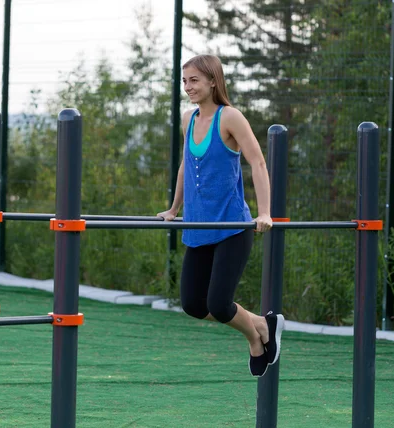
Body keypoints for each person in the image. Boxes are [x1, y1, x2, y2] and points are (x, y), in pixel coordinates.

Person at [157, 54, 285, 377]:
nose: (188, 87)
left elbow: (257, 162)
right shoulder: (189, 119)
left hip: (232, 227)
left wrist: (265, 212)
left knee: (218, 303)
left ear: (213, 81)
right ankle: (259, 323)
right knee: (192, 304)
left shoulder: (230, 118)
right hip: (199, 228)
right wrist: (174, 208)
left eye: (195, 80)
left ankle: (257, 338)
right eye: (185, 81)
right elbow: (186, 164)